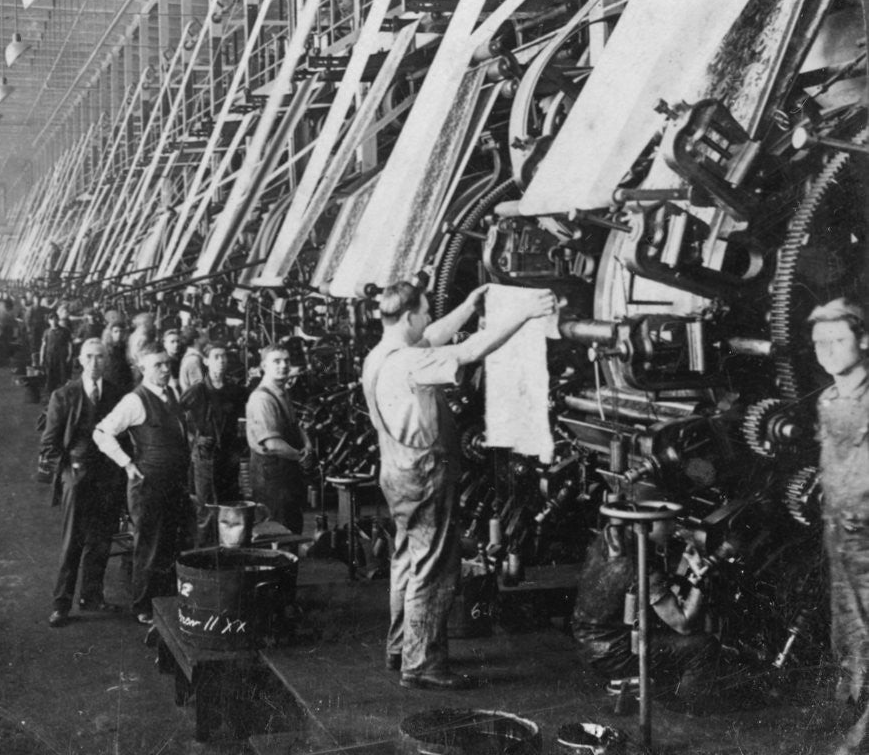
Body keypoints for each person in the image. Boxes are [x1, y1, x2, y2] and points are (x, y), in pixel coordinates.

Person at [361, 280, 557, 691]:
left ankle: (399, 649)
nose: (430, 318)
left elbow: (433, 338)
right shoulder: (411, 363)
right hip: (423, 474)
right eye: (426, 311)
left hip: (395, 471)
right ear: (410, 315)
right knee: (432, 567)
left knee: (406, 559)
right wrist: (524, 314)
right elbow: (468, 351)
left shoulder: (381, 355)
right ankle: (423, 665)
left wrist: (469, 306)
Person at [571, 510, 721, 710]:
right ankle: (689, 711)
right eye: (670, 521)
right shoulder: (642, 565)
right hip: (614, 655)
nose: (674, 528)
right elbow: (683, 624)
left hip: (586, 644)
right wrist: (701, 578)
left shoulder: (608, 539)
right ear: (649, 523)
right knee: (703, 646)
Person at [808, 299, 869, 755]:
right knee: (848, 632)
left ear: (864, 340)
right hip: (840, 536)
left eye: (838, 339)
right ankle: (853, 713)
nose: (827, 350)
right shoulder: (829, 399)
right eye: (819, 342)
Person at [93, 347, 192, 624]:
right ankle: (143, 606)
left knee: (170, 543)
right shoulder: (134, 400)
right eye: (158, 365)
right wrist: (126, 463)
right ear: (143, 368)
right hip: (148, 486)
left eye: (167, 364)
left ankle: (165, 602)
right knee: (149, 546)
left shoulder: (170, 394)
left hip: (173, 483)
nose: (164, 369)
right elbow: (101, 432)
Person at [40, 339, 126, 627]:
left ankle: (92, 595)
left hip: (108, 476)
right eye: (89, 357)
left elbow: (124, 436)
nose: (94, 362)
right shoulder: (63, 396)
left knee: (101, 539)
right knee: (72, 541)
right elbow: (50, 446)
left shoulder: (115, 394)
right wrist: (66, 476)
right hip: (76, 475)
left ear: (106, 361)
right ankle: (61, 603)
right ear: (79, 359)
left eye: (100, 357)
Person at [182, 342, 247, 544]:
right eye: (216, 357)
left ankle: (228, 553)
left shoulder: (234, 391)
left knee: (230, 506)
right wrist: (195, 438)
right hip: (205, 458)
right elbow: (176, 418)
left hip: (229, 457)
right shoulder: (197, 391)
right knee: (207, 509)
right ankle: (204, 554)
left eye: (224, 357)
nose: (221, 361)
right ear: (206, 362)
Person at [245, 345, 314, 535]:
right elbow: (273, 445)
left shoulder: (282, 393)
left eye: (286, 361)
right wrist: (301, 457)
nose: (283, 366)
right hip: (271, 476)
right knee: (277, 531)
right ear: (264, 366)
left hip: (287, 472)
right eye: (276, 361)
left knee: (291, 527)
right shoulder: (262, 399)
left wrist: (307, 444)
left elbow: (294, 425)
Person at [39, 311, 73, 399]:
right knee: (50, 377)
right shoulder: (46, 332)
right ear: (49, 321)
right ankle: (51, 397)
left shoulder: (65, 331)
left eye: (55, 319)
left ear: (58, 320)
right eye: (51, 319)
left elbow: (69, 344)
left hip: (62, 358)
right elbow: (43, 346)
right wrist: (41, 358)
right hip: (50, 357)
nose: (53, 321)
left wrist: (69, 355)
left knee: (63, 377)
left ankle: (64, 396)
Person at [101, 321, 134, 393]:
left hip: (125, 381)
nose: (119, 334)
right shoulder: (106, 349)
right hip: (110, 381)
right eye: (116, 331)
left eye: (121, 331)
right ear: (111, 333)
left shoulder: (127, 347)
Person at [178, 328, 208, 393]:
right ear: (196, 341)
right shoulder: (193, 360)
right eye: (202, 335)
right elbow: (197, 389)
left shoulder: (196, 357)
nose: (206, 336)